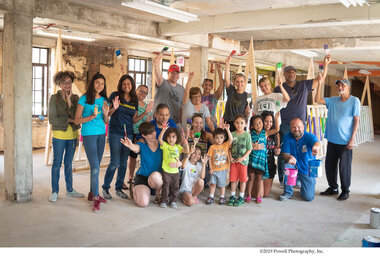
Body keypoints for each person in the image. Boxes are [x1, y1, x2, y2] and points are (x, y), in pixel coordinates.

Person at [275, 55, 331, 186]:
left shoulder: (304, 85)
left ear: (296, 74)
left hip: (300, 125)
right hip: (285, 124)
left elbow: (320, 79)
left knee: (301, 152)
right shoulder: (279, 88)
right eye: (288, 72)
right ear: (284, 74)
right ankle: (284, 179)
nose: (291, 74)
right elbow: (275, 104)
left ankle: (298, 178)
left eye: (293, 72)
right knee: (285, 153)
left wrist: (325, 65)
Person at [315, 78, 360, 201]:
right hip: (332, 139)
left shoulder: (354, 101)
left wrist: (352, 139)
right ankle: (333, 187)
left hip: (345, 141)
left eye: (343, 85)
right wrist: (319, 83)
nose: (340, 87)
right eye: (338, 85)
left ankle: (345, 190)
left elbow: (356, 120)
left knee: (344, 168)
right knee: (330, 165)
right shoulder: (333, 100)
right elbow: (317, 100)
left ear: (348, 87)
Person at [74, 73, 109, 212]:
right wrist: (91, 116)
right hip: (89, 135)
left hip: (102, 134)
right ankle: (96, 198)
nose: (100, 85)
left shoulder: (105, 100)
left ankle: (91, 193)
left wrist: (106, 114)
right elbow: (77, 120)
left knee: (97, 166)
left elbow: (106, 121)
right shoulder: (84, 99)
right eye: (97, 82)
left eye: (102, 83)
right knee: (94, 166)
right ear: (92, 84)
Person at [101, 75, 139, 200]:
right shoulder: (115, 95)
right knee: (114, 162)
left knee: (123, 163)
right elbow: (108, 114)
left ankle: (118, 188)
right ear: (120, 85)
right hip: (115, 132)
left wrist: (146, 113)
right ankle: (106, 187)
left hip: (128, 133)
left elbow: (133, 120)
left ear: (132, 85)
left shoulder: (134, 99)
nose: (126, 86)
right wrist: (114, 108)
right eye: (124, 84)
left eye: (129, 84)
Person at [48, 71, 83, 202]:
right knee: (57, 163)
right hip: (59, 136)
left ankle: (70, 189)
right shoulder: (54, 98)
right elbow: (53, 119)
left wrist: (69, 101)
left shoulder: (75, 98)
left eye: (69, 82)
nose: (67, 85)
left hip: (73, 135)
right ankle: (55, 191)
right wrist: (69, 120)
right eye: (64, 82)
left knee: (68, 163)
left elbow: (77, 117)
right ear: (59, 83)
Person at [120, 122, 163, 207]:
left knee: (156, 176)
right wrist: (130, 145)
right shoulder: (141, 144)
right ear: (144, 136)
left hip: (157, 180)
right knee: (142, 203)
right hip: (143, 178)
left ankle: (158, 194)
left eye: (154, 131)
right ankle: (134, 186)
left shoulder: (162, 144)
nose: (154, 134)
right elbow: (136, 149)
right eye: (150, 134)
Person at [279, 118, 321, 202]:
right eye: (293, 127)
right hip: (294, 168)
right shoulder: (287, 137)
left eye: (299, 127)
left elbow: (317, 143)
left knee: (308, 197)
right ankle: (288, 193)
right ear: (290, 128)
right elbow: (284, 154)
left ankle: (305, 184)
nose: (296, 129)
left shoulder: (309, 136)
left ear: (303, 127)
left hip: (306, 170)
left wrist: (316, 147)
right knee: (288, 165)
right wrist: (290, 157)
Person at [246, 113, 279, 204]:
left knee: (259, 178)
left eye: (260, 123)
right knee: (251, 178)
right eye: (256, 124)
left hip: (261, 161)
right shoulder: (249, 134)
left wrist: (276, 118)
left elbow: (276, 129)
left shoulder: (266, 133)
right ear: (252, 125)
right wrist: (252, 145)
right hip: (252, 161)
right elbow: (246, 143)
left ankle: (258, 197)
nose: (258, 125)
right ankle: (248, 195)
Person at [127, 85, 154, 189]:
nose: (143, 94)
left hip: (143, 134)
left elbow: (148, 122)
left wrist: (148, 136)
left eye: (145, 92)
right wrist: (145, 112)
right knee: (133, 156)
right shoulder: (132, 103)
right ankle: (130, 177)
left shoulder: (147, 105)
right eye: (141, 91)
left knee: (145, 155)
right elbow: (134, 120)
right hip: (133, 132)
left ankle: (143, 175)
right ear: (136, 90)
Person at [158, 124, 189, 208]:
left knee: (175, 188)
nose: (171, 139)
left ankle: (173, 201)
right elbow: (160, 139)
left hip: (176, 172)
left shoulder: (178, 147)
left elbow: (186, 151)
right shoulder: (165, 145)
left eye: (173, 137)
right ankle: (163, 201)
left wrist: (186, 143)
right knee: (166, 187)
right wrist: (163, 130)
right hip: (166, 171)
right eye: (169, 136)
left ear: (177, 138)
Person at [152, 53, 184, 127]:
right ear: (168, 73)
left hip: (174, 122)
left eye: (177, 73)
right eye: (172, 73)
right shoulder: (163, 83)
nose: (175, 75)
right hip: (159, 121)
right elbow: (158, 75)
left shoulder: (182, 89)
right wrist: (156, 66)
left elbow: (182, 107)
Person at [228, 114, 253, 206]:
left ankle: (241, 197)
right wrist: (230, 157)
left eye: (242, 123)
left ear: (245, 124)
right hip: (234, 162)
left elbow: (249, 149)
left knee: (242, 180)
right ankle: (232, 196)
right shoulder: (232, 134)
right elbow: (229, 148)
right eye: (237, 123)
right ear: (234, 123)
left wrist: (242, 158)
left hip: (243, 162)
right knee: (233, 180)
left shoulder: (247, 135)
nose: (239, 125)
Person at [206, 125, 233, 205]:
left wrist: (227, 130)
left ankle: (222, 197)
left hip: (222, 170)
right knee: (213, 184)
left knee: (222, 185)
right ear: (214, 138)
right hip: (214, 170)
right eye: (217, 137)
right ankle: (211, 196)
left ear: (224, 138)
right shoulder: (212, 147)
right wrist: (210, 168)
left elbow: (231, 139)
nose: (219, 139)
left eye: (221, 137)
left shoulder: (225, 145)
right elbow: (210, 158)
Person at [223, 56, 250, 131]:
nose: (239, 83)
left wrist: (248, 113)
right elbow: (226, 79)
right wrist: (227, 64)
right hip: (228, 122)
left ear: (244, 83)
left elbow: (247, 114)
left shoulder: (247, 96)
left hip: (240, 124)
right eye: (237, 81)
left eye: (241, 81)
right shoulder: (231, 90)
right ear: (234, 82)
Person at [201, 63, 225, 128]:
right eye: (205, 84)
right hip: (200, 126)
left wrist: (219, 71)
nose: (207, 87)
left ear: (212, 87)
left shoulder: (214, 97)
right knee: (198, 138)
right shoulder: (198, 97)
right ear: (202, 86)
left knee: (212, 137)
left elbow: (222, 85)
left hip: (212, 125)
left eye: (209, 85)